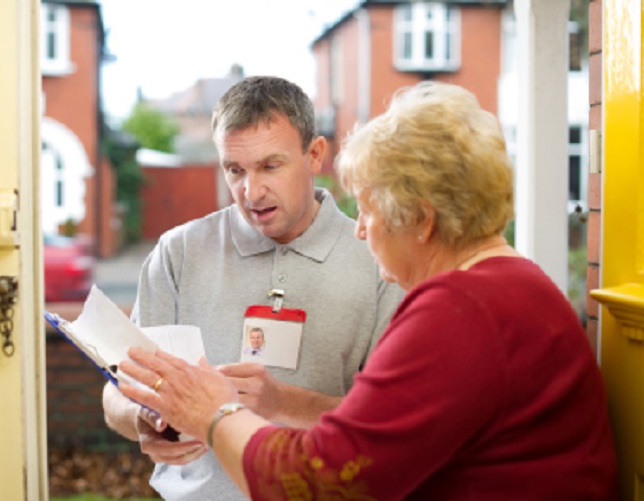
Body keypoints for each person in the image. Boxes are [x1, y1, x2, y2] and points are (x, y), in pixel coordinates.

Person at [118, 81, 618, 500]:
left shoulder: (459, 310)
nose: (360, 229)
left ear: (420, 220)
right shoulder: (512, 284)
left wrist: (213, 413)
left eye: (371, 210)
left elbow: (322, 477)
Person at [102, 75, 404, 500]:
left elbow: (395, 425)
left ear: (316, 154)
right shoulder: (178, 252)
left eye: (270, 166)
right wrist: (142, 419)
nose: (251, 191)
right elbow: (118, 390)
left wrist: (283, 401)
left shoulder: (380, 262)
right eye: (235, 170)